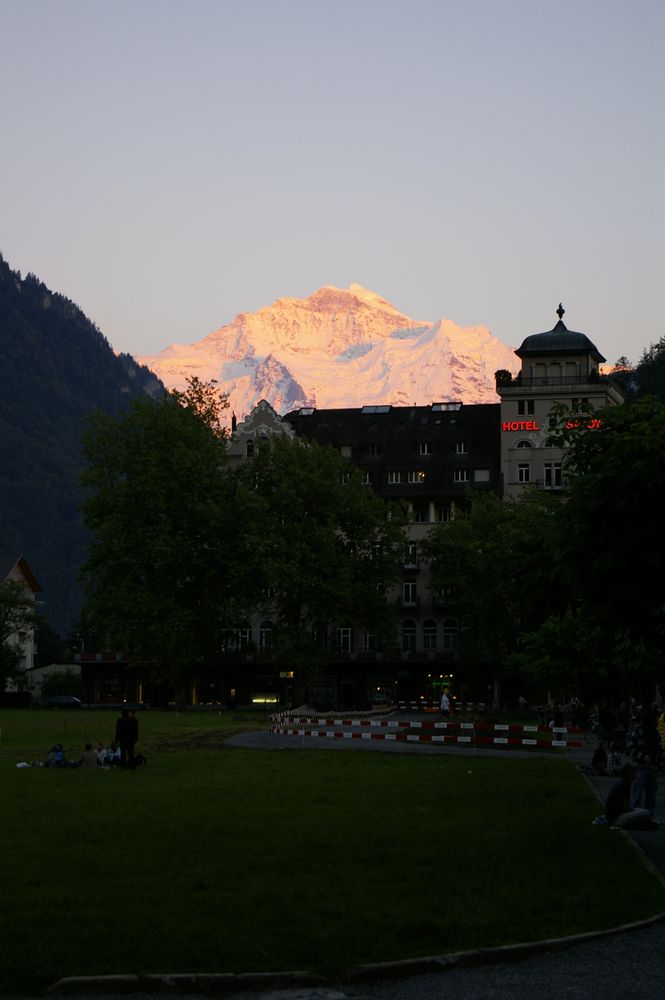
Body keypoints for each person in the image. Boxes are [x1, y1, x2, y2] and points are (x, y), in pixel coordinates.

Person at [626, 706, 662, 816]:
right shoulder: (638, 731)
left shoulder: (656, 733)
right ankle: (635, 815)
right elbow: (631, 748)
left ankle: (648, 816)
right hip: (640, 768)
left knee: (651, 795)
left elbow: (659, 750)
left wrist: (659, 763)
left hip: (653, 768)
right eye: (656, 719)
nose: (657, 721)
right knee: (637, 793)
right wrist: (642, 757)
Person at [604, 764, 658, 830]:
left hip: (615, 815)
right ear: (629, 774)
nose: (636, 774)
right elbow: (627, 809)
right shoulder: (624, 785)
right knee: (646, 813)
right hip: (616, 818)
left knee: (643, 811)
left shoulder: (623, 782)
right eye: (634, 772)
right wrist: (634, 812)